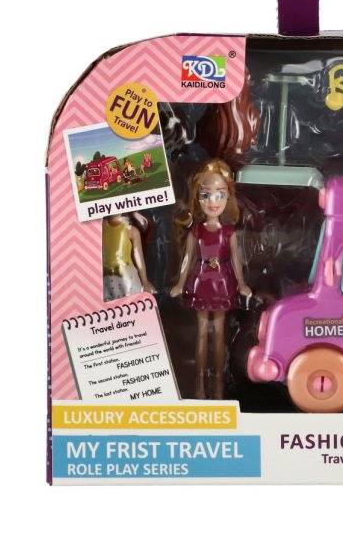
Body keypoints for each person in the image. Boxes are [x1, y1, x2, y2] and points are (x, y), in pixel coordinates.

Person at [170, 160, 251, 399]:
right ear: (197, 198)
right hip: (200, 281)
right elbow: (187, 259)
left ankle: (219, 384)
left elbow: (236, 260)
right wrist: (180, 284)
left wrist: (242, 284)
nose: (213, 201)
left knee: (220, 335)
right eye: (206, 195)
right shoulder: (196, 231)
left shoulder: (229, 232)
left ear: (228, 197)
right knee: (202, 332)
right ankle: (199, 384)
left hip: (223, 283)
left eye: (220, 194)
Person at [102, 213, 155, 300]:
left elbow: (138, 257)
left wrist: (145, 281)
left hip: (127, 279)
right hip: (106, 280)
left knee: (130, 300)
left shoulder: (130, 230)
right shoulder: (101, 226)